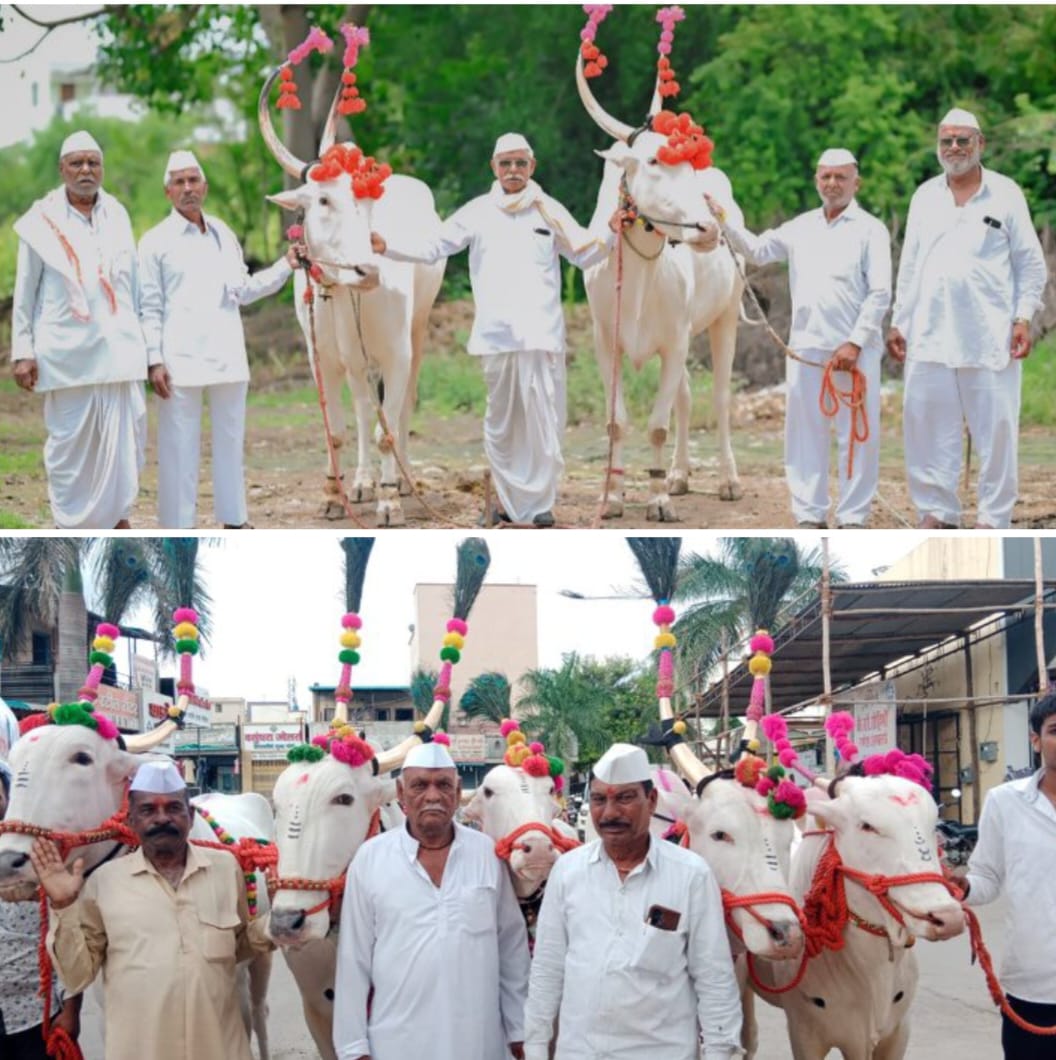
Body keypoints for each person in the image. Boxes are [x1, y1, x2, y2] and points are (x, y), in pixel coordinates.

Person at [371, 133, 617, 527]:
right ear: (494, 168)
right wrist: (388, 246)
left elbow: (585, 253)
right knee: (502, 425)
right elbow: (434, 246)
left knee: (542, 424)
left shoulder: (548, 210)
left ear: (532, 167)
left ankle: (539, 507)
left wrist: (612, 232)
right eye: (506, 164)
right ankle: (504, 502)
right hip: (496, 338)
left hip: (541, 336)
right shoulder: (478, 211)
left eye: (520, 163)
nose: (514, 171)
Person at [30, 760, 271, 1060]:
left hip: (220, 1048)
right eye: (148, 810)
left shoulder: (225, 868)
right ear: (130, 820)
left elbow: (239, 946)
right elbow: (78, 975)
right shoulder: (105, 882)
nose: (162, 818)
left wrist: (276, 923)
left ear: (190, 815)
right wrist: (64, 905)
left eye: (173, 808)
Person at [523, 743, 742, 1060]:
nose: (609, 813)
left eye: (624, 798)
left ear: (651, 801)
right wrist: (535, 1046)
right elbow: (547, 968)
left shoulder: (691, 875)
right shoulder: (567, 872)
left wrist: (720, 1052)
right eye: (599, 799)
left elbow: (713, 977)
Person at [709, 148, 891, 529]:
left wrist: (854, 343)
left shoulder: (871, 229)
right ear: (816, 181)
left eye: (841, 177)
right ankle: (809, 514)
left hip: (855, 352)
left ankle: (854, 516)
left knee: (858, 436)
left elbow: (880, 294)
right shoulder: (801, 226)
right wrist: (722, 220)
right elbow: (757, 251)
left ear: (856, 182)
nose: (833, 184)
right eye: (826, 176)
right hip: (806, 347)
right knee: (805, 434)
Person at [887, 107, 1047, 529]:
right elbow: (911, 264)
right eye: (946, 141)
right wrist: (899, 321)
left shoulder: (1006, 193)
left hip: (988, 333)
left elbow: (1030, 264)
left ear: (981, 144)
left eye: (962, 140)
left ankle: (993, 519)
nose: (954, 148)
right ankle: (938, 512)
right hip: (929, 332)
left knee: (995, 431)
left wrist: (1023, 317)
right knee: (926, 426)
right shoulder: (924, 196)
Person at [333, 741, 530, 1060]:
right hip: (396, 1043)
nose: (433, 796)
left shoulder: (486, 854)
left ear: (456, 793)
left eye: (443, 785)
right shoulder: (370, 859)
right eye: (420, 785)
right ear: (400, 793)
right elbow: (353, 959)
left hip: (479, 1042)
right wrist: (353, 1047)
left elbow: (512, 948)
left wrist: (520, 1030)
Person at [139, 150, 303, 529]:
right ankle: (179, 527)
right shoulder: (154, 242)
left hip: (228, 355)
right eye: (179, 182)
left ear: (205, 187)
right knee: (179, 449)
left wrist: (285, 266)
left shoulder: (222, 233)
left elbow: (243, 289)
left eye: (193, 180)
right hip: (179, 361)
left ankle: (235, 520)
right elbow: (148, 305)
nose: (187, 188)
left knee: (230, 443)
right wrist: (153, 359)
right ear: (168, 192)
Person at [12, 130, 161, 530]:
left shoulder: (118, 213)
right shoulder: (39, 222)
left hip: (118, 350)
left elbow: (129, 287)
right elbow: (24, 292)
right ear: (62, 169)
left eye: (92, 162)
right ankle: (70, 521)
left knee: (126, 440)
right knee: (69, 445)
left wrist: (150, 352)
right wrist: (22, 351)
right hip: (66, 353)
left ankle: (118, 517)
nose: (85, 170)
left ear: (102, 169)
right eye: (76, 163)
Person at [961, 691, 1056, 1058]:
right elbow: (986, 877)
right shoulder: (1005, 802)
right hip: (1031, 986)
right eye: (1054, 730)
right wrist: (962, 886)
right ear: (1035, 740)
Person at [0, 759, 82, 1059]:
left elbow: (68, 937)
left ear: (10, 800)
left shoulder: (41, 853)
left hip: (37, 1016)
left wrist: (71, 1011)